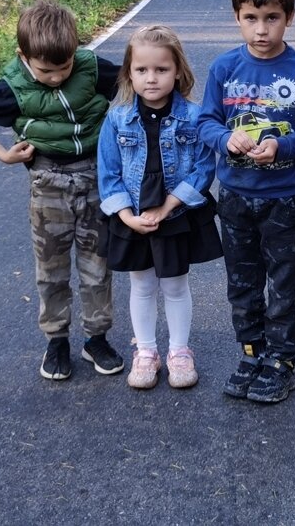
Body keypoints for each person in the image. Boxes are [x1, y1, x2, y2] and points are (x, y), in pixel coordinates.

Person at [0, 0, 122, 381]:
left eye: (64, 67)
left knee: (98, 266)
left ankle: (96, 337)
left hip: (97, 179)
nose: (56, 77)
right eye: (46, 70)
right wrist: (3, 155)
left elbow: (136, 85)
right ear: (24, 56)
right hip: (47, 184)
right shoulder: (11, 87)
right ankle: (56, 340)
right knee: (52, 271)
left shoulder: (92, 68)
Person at [198, 0, 295, 404]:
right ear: (237, 16)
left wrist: (282, 146)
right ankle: (252, 351)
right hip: (233, 197)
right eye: (250, 18)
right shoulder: (223, 68)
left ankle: (282, 361)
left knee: (284, 282)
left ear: (288, 17)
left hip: (281, 199)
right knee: (242, 281)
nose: (261, 30)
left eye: (271, 18)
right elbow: (205, 122)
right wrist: (224, 138)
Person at [96, 25, 221, 390]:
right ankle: (146, 351)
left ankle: (180, 350)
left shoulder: (195, 117)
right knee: (142, 284)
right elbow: (108, 172)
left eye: (161, 70)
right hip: (132, 214)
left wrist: (167, 207)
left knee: (175, 284)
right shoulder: (117, 118)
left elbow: (202, 168)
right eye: (141, 70)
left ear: (178, 70)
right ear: (128, 73)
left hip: (175, 212)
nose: (151, 78)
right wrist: (126, 216)